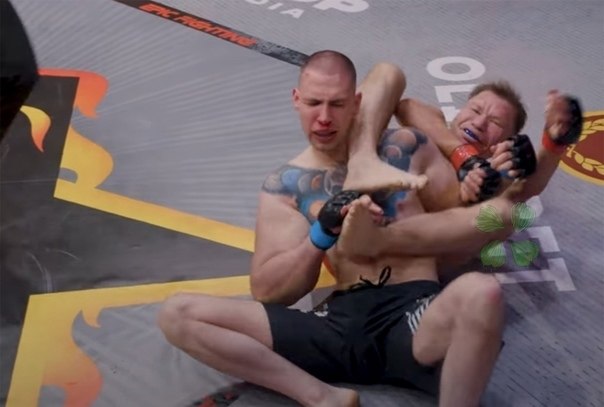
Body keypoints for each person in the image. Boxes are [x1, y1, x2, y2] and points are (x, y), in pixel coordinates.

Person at [157, 51, 581, 407]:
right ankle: (322, 397)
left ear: (357, 103)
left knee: (484, 289)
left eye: (337, 104)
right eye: (314, 103)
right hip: (339, 322)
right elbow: (269, 291)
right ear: (296, 101)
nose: (324, 118)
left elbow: (477, 205)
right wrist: (320, 235)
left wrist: (527, 156)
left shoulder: (406, 147)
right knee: (179, 314)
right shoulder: (285, 185)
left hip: (415, 312)